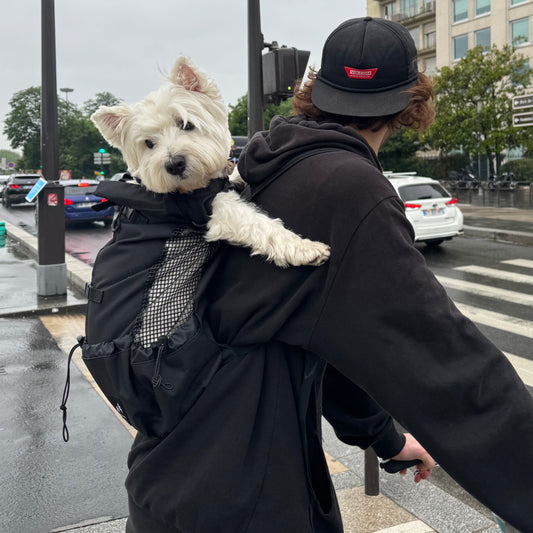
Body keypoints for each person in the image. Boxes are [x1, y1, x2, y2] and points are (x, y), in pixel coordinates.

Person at [124, 17, 533, 532]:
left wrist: (385, 437)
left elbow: (322, 326)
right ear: (412, 103)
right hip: (248, 493)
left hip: (169, 476)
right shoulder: (350, 189)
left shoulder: (264, 163)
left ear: (315, 90)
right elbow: (447, 362)